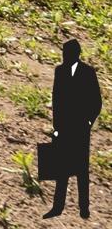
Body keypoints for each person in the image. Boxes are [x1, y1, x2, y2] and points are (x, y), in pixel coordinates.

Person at [48, 38, 101, 219]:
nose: (65, 56)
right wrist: (56, 126)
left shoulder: (88, 72)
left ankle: (84, 208)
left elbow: (96, 101)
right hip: (64, 127)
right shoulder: (60, 71)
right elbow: (56, 99)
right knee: (61, 168)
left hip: (80, 128)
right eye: (64, 53)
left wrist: (88, 122)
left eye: (68, 53)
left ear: (77, 54)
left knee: (81, 170)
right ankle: (57, 207)